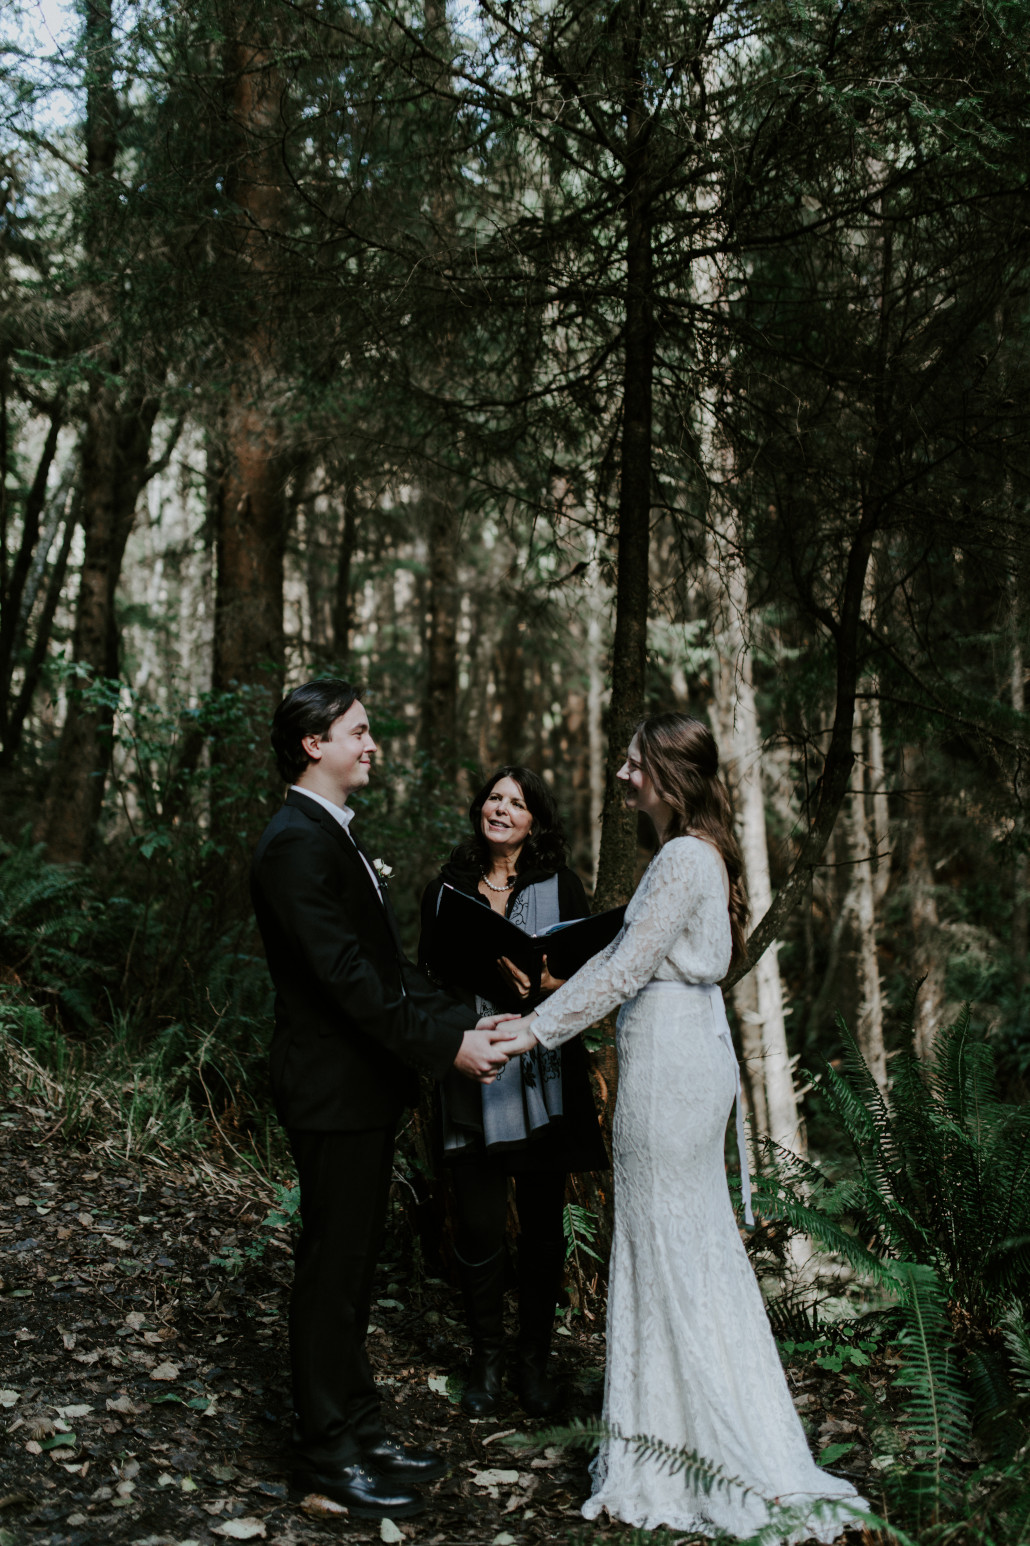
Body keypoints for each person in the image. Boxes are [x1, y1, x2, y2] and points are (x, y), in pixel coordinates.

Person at [495, 715, 867, 1542]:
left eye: (635, 763)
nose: (624, 773)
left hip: (670, 1066)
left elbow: (626, 969)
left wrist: (532, 1029)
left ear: (669, 776)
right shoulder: (698, 856)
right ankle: (673, 1439)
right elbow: (628, 960)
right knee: (682, 1241)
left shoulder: (682, 857)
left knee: (665, 1239)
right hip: (684, 1054)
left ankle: (690, 1453)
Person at [250, 680, 513, 1521]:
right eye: (358, 733)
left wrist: (467, 1019)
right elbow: (347, 983)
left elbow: (387, 972)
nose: (372, 746)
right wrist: (448, 1049)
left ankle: (360, 1428)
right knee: (332, 1270)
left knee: (356, 1265)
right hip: (330, 1087)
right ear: (311, 745)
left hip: (360, 1086)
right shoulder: (295, 843)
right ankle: (326, 1456)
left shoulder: (328, 835)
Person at [418, 767, 607, 1420]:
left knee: (544, 1230)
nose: (501, 809)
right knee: (476, 1223)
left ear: (535, 822)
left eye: (517, 803)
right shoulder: (446, 888)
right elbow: (427, 979)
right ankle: (486, 1361)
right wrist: (459, 1021)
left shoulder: (563, 885)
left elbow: (591, 975)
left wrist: (550, 986)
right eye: (494, 798)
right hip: (473, 1070)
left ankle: (533, 1363)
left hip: (544, 1076)